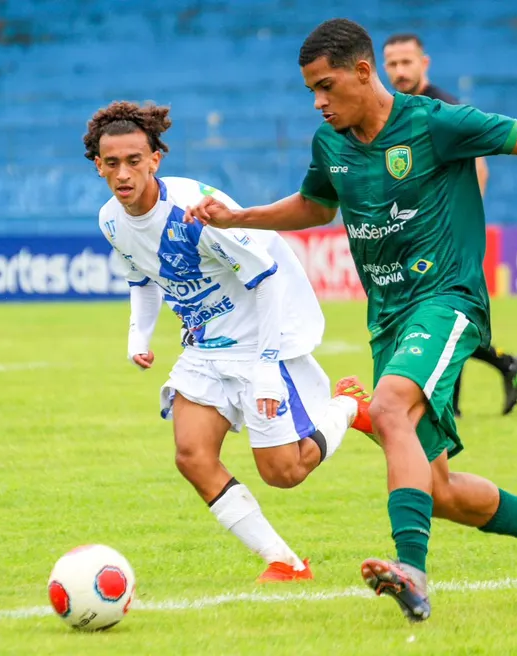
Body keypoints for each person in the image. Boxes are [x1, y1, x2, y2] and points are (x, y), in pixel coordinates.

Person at [186, 18, 517, 621]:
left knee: (389, 407)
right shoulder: (331, 145)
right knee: (435, 488)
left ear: (363, 72)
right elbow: (316, 204)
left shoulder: (433, 123)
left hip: (447, 300)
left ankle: (412, 573)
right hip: (388, 318)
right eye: (309, 90)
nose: (317, 102)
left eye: (326, 86)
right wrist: (243, 218)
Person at [84, 100, 369, 584]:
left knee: (284, 472)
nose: (123, 173)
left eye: (134, 160)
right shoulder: (111, 220)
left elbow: (268, 279)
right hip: (205, 346)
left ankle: (347, 407)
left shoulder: (196, 213)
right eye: (112, 163)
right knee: (192, 455)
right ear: (98, 166)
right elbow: (142, 278)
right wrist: (139, 336)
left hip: (263, 336)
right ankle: (286, 563)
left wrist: (265, 365)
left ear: (156, 159)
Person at [383, 31, 517, 417]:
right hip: (414, 239)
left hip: (446, 241)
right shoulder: (392, 111)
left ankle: (451, 408)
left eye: (406, 62)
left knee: (442, 316)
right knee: (432, 319)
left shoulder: (443, 106)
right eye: (393, 64)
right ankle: (504, 365)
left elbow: (479, 167)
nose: (399, 71)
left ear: (424, 63)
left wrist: (457, 228)